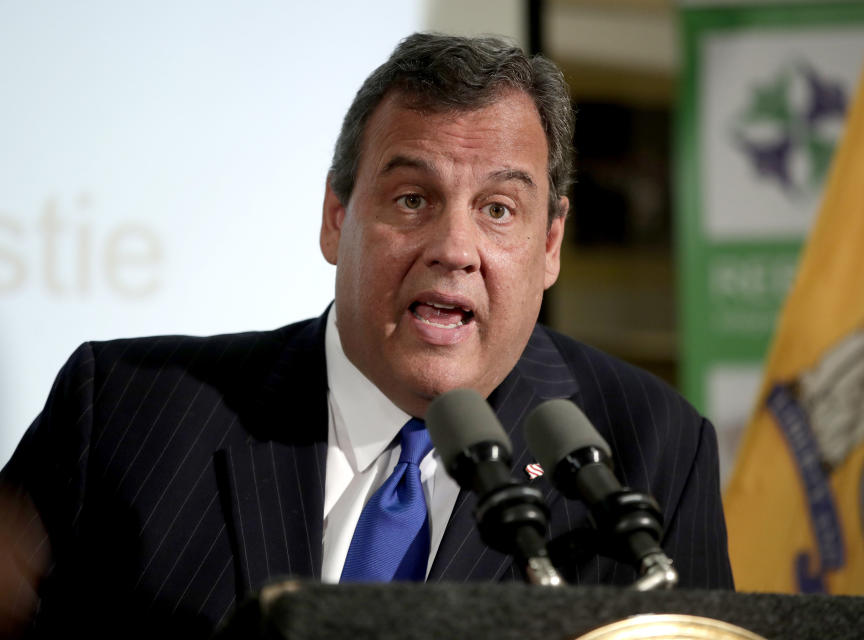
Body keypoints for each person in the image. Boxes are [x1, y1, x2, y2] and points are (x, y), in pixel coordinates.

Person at [0, 32, 732, 639]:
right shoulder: (126, 416)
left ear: (551, 245)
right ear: (334, 218)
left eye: (499, 210)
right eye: (412, 199)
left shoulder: (648, 451)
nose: (455, 246)